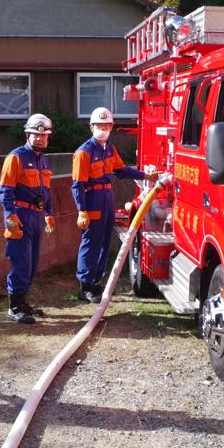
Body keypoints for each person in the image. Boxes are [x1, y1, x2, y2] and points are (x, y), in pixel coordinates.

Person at [72, 107, 157, 303]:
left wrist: (145, 175)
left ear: (111, 127)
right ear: (91, 127)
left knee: (104, 241)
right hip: (92, 198)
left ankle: (96, 282)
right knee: (91, 242)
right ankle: (85, 286)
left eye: (107, 126)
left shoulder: (109, 149)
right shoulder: (84, 153)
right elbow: (77, 185)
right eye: (99, 126)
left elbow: (121, 170)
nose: (103, 129)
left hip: (107, 197)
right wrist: (82, 210)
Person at [0, 113, 56, 324]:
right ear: (27, 135)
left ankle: (22, 303)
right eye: (35, 134)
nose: (39, 138)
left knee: (32, 263)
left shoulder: (43, 161)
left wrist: (49, 213)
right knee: (20, 262)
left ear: (48, 137)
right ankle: (14, 307)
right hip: (20, 215)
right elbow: (5, 189)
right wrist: (10, 217)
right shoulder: (16, 157)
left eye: (43, 135)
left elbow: (45, 191)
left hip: (37, 216)